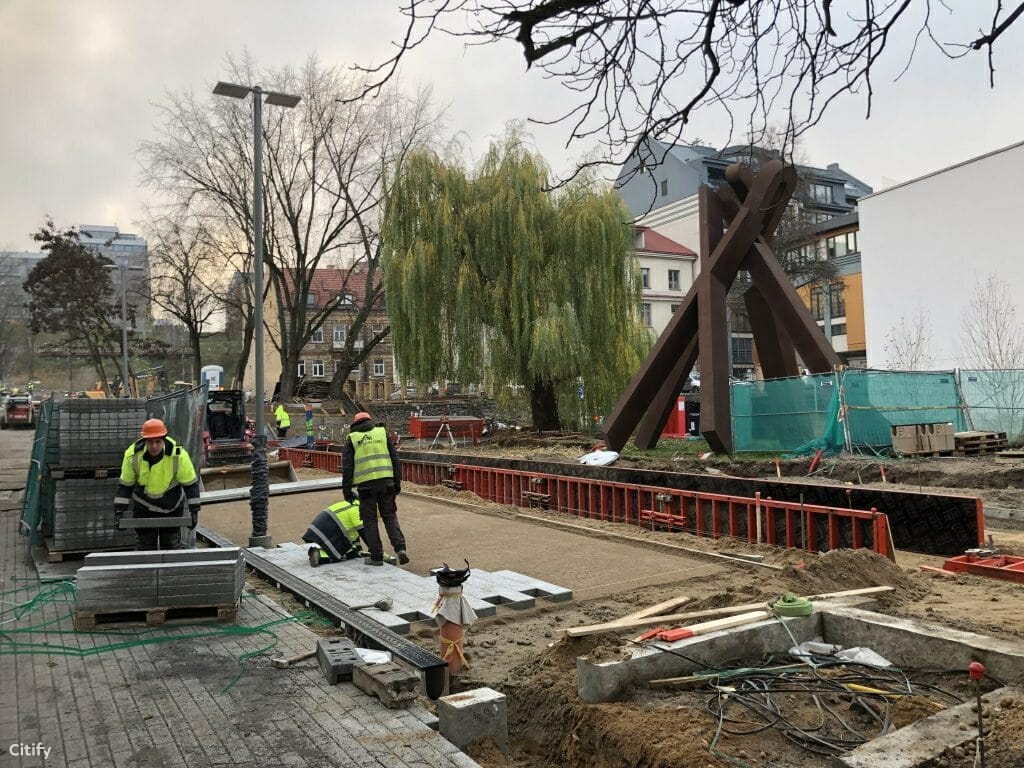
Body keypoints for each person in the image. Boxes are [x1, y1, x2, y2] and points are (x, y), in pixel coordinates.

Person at [114, 418, 201, 550]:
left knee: (171, 547)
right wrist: (119, 511)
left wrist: (194, 511)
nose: (154, 446)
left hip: (171, 507)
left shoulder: (178, 455)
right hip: (144, 507)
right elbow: (125, 485)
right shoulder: (132, 455)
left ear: (164, 440)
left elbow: (190, 484)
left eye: (158, 441)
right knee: (145, 549)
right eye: (150, 442)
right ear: (144, 441)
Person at [342, 411, 408, 567]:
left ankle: (376, 557)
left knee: (370, 520)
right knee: (389, 516)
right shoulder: (381, 433)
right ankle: (400, 549)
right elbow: (395, 459)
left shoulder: (352, 438)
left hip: (366, 487)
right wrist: (397, 483)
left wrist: (347, 491)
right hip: (387, 483)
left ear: (355, 424)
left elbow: (347, 468)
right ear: (370, 421)